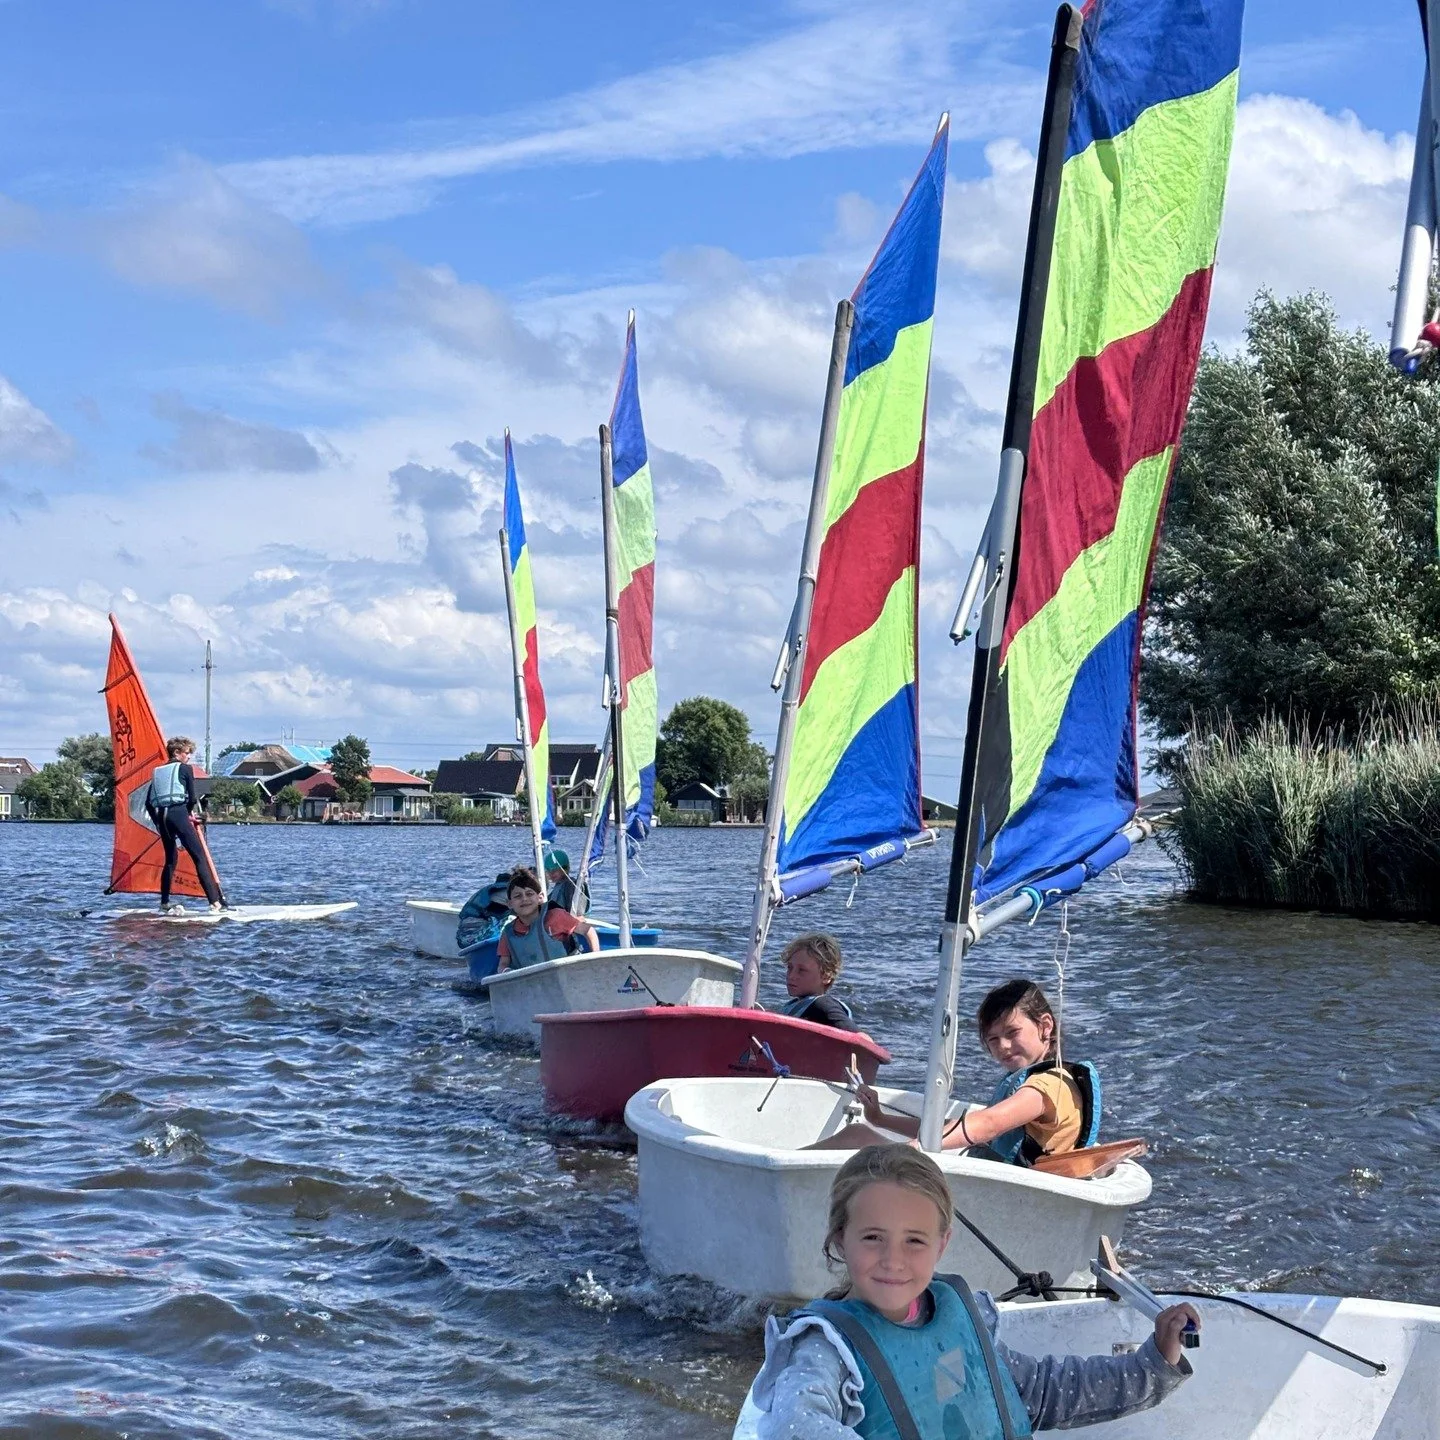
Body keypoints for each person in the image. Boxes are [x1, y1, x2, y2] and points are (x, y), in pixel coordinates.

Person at [733, 1144, 1198, 1438]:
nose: (893, 1259)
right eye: (873, 1237)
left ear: (942, 1244)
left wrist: (1154, 1360)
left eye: (914, 1240)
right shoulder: (824, 1348)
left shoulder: (962, 1316)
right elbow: (796, 1425)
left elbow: (1043, 1393)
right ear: (839, 1238)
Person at [857, 979, 1099, 1162]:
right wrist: (880, 1119)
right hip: (998, 1188)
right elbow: (966, 1127)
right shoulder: (1033, 1082)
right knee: (859, 1132)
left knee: (858, 1137)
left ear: (1045, 1026)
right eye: (993, 1039)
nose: (1003, 1046)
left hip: (1007, 1198)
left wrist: (917, 1147)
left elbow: (989, 1123)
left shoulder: (1047, 1087)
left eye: (1012, 1032)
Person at [145, 736, 225, 914]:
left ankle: (164, 903)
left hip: (162, 817)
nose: (189, 757)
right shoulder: (185, 769)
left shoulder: (157, 771)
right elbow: (192, 798)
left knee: (170, 860)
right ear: (177, 753)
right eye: (187, 753)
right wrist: (190, 814)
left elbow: (148, 804)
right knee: (199, 857)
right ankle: (214, 903)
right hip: (178, 814)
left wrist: (158, 823)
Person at [495, 866, 599, 970]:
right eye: (518, 896)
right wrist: (505, 972)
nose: (524, 899)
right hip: (533, 983)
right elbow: (503, 963)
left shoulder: (555, 916)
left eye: (529, 894)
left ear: (540, 897)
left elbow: (588, 931)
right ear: (510, 903)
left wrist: (596, 959)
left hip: (568, 974)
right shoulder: (508, 933)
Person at [779, 934, 858, 1031]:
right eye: (790, 967)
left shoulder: (823, 1006)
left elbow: (860, 1038)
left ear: (826, 976)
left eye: (802, 970)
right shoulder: (794, 1005)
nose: (791, 976)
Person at [543, 847, 585, 914]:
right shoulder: (557, 886)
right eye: (548, 871)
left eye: (554, 870)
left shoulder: (570, 885)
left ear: (565, 869)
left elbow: (576, 911)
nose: (551, 874)